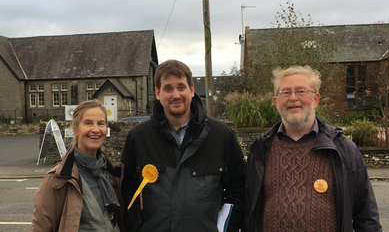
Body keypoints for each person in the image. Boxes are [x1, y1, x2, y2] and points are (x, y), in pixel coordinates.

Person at [245, 66, 382, 232]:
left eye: (301, 91)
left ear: (315, 99)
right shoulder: (260, 150)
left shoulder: (344, 149)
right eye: (285, 92)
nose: (293, 98)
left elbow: (366, 216)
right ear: (275, 102)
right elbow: (247, 212)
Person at [121, 59, 246, 232]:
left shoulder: (220, 135)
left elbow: (238, 189)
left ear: (192, 90)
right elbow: (127, 190)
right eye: (168, 88)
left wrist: (226, 229)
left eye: (181, 87)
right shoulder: (138, 137)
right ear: (157, 93)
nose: (176, 95)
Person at [31, 100, 125, 232]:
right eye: (88, 123)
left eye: (101, 123)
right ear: (75, 129)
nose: (96, 129)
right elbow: (41, 227)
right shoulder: (57, 179)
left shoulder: (113, 174)